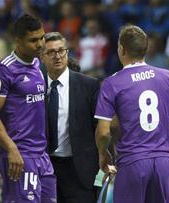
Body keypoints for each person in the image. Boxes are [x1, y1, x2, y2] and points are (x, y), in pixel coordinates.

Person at [94, 25, 169, 203]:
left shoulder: (112, 83)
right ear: (144, 49)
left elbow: (103, 132)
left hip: (132, 161)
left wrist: (102, 154)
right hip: (162, 160)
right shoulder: (167, 76)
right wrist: (154, 134)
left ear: (121, 49)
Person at [0, 14, 56, 202]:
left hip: (41, 154)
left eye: (42, 37)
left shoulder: (38, 66)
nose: (40, 44)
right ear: (18, 41)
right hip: (19, 154)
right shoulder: (4, 71)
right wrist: (11, 149)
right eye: (33, 40)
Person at [40, 32, 100, 203]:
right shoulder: (34, 85)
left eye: (61, 51)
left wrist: (103, 166)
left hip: (80, 171)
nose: (57, 56)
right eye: (51, 52)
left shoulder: (89, 85)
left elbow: (100, 129)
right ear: (42, 57)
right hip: (46, 168)